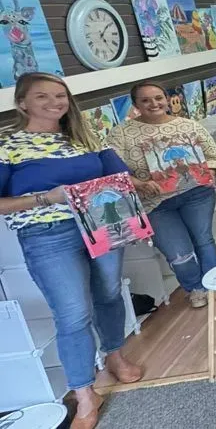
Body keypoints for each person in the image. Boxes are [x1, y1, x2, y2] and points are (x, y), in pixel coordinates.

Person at [0, 73, 144, 429]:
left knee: (109, 293)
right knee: (73, 313)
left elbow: (121, 180)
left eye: (60, 95)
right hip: (47, 234)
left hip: (103, 223)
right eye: (42, 96)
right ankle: (84, 393)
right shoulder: (8, 146)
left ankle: (114, 354)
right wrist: (46, 198)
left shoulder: (85, 137)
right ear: (22, 103)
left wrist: (140, 211)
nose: (54, 102)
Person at [108, 80, 216, 309]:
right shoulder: (122, 133)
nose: (153, 103)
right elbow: (111, 167)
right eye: (145, 100)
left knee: (203, 240)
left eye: (158, 98)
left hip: (196, 193)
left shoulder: (188, 126)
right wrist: (138, 182)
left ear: (167, 99)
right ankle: (195, 286)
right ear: (135, 105)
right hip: (155, 201)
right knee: (177, 251)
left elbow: (213, 154)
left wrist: (210, 171)